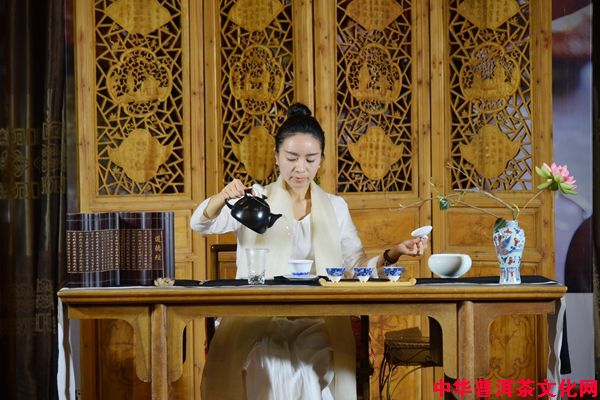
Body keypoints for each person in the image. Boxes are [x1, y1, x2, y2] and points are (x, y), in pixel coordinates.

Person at [190, 103, 427, 399]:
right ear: (277, 157)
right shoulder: (256, 199)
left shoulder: (335, 207)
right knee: (267, 362)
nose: (300, 168)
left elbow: (356, 268)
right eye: (291, 158)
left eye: (310, 159)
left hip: (318, 318)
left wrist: (395, 252)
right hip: (257, 315)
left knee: (309, 364)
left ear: (321, 161)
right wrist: (222, 197)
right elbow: (199, 223)